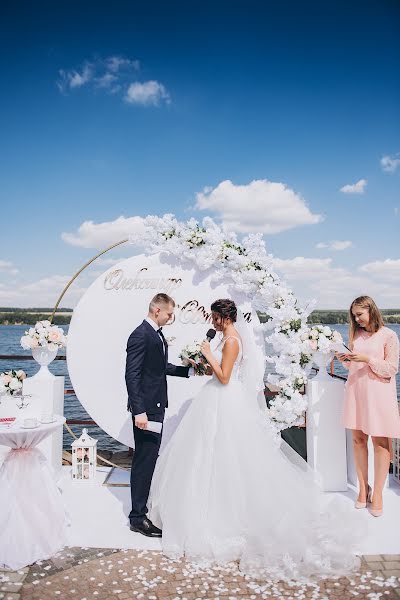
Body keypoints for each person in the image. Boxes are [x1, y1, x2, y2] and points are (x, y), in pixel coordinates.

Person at [148, 298, 363, 581]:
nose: (211, 322)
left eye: (213, 317)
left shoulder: (233, 340)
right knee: (208, 455)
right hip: (215, 398)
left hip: (224, 399)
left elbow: (225, 377)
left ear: (223, 318)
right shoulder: (226, 337)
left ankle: (227, 515)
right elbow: (217, 371)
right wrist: (200, 361)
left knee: (226, 454)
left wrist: (207, 354)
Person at [125, 293, 196, 537]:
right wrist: (139, 411)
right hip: (146, 410)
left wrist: (188, 371)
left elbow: (159, 368)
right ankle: (137, 518)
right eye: (169, 313)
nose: (171, 317)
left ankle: (141, 509)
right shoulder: (140, 334)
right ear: (157, 310)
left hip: (155, 406)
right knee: (144, 461)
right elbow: (131, 376)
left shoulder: (155, 334)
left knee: (150, 457)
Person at [337, 295, 400, 517]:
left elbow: (391, 369)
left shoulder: (389, 335)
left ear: (371, 310)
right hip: (357, 391)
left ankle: (379, 492)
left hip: (379, 395)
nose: (356, 319)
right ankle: (364, 489)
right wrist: (344, 357)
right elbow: (353, 366)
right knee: (358, 440)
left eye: (359, 314)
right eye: (354, 316)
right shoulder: (356, 334)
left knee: (381, 444)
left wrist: (367, 359)